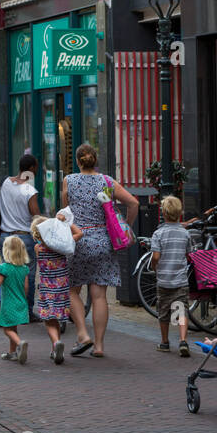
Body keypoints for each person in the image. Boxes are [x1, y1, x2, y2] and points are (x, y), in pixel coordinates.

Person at [64, 143, 138, 358]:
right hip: (104, 241)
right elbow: (133, 203)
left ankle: (82, 333)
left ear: (78, 161)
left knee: (71, 290)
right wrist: (125, 226)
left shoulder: (69, 181)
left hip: (77, 241)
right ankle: (98, 346)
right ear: (95, 160)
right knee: (99, 296)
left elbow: (65, 212)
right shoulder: (107, 182)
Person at [0, 155, 41, 326]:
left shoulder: (5, 183)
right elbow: (35, 215)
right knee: (28, 274)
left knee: (5, 273)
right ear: (32, 168)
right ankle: (27, 311)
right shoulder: (30, 191)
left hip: (6, 236)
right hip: (24, 237)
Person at [29, 211, 83, 364]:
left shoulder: (37, 248)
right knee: (57, 319)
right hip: (62, 288)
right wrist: (64, 223)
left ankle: (56, 344)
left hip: (46, 289)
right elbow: (80, 233)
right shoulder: (62, 246)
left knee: (49, 319)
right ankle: (55, 348)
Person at [150, 195, 193, 356]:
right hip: (180, 279)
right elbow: (189, 254)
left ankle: (165, 342)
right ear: (179, 213)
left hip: (163, 280)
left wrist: (156, 268)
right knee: (181, 310)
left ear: (164, 213)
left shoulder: (158, 234)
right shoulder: (184, 233)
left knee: (163, 311)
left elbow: (155, 257)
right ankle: (183, 340)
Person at [0, 236, 31, 363]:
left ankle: (20, 343)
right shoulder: (24, 268)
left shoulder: (3, 268)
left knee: (7, 329)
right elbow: (26, 287)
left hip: (8, 303)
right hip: (20, 302)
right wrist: (24, 299)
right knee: (13, 328)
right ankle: (12, 353)